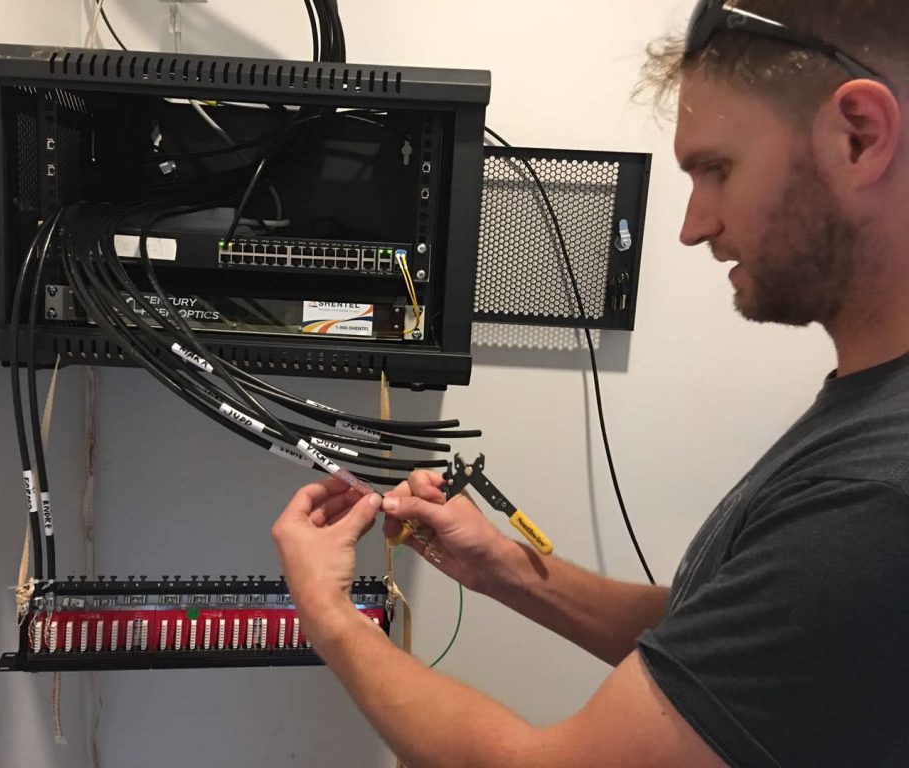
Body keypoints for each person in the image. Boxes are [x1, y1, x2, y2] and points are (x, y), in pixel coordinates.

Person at [271, 1, 909, 765]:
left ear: (860, 136)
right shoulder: (870, 414)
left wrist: (328, 614)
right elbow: (731, 646)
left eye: (717, 169)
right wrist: (503, 570)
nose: (693, 225)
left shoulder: (875, 494)